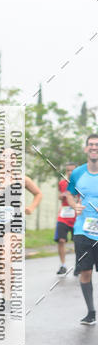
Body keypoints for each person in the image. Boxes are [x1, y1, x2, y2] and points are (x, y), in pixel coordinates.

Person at [0, 149, 42, 302]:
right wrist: (2, 187)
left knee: (8, 259)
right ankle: (5, 296)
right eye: (6, 157)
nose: (9, 160)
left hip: (15, 221)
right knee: (0, 262)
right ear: (0, 159)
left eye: (13, 157)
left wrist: (31, 208)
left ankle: (9, 297)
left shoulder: (22, 179)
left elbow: (38, 193)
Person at [66, 133, 98, 326]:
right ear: (86, 149)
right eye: (91, 145)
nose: (94, 148)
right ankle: (91, 312)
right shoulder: (77, 172)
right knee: (85, 271)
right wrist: (74, 205)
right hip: (83, 229)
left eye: (97, 145)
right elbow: (70, 195)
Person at [54, 163, 77, 275]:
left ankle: (79, 264)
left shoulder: (80, 183)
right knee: (61, 240)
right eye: (68, 170)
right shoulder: (62, 183)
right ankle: (63, 265)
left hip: (76, 216)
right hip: (63, 215)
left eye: (72, 170)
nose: (70, 173)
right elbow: (59, 196)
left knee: (77, 242)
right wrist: (62, 195)